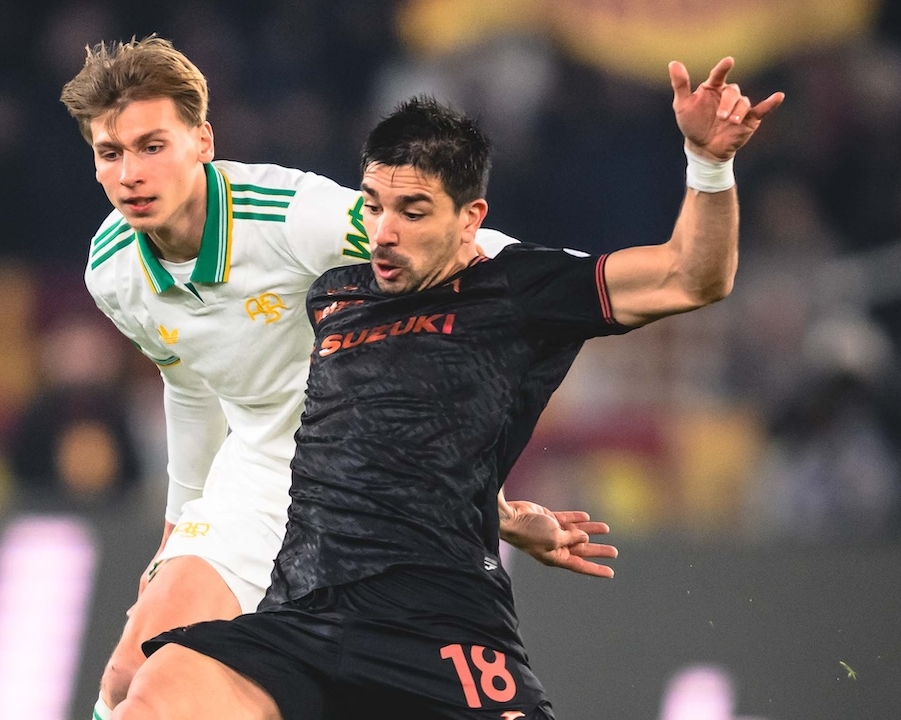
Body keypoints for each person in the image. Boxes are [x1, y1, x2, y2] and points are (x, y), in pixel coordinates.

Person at [111, 57, 784, 719]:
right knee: (151, 692)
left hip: (437, 629)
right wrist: (506, 514)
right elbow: (377, 439)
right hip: (306, 623)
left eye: (413, 211)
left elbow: (691, 277)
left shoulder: (518, 290)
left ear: (470, 218)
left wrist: (709, 162)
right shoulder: (333, 296)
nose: (383, 232)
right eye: (373, 205)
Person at [58, 36, 619, 717]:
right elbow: (191, 385)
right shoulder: (112, 271)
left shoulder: (291, 216)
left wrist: (589, 283)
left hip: (364, 465)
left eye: (152, 146)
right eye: (110, 153)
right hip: (259, 469)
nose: (130, 174)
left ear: (202, 141)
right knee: (128, 677)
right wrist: (177, 528)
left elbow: (449, 242)